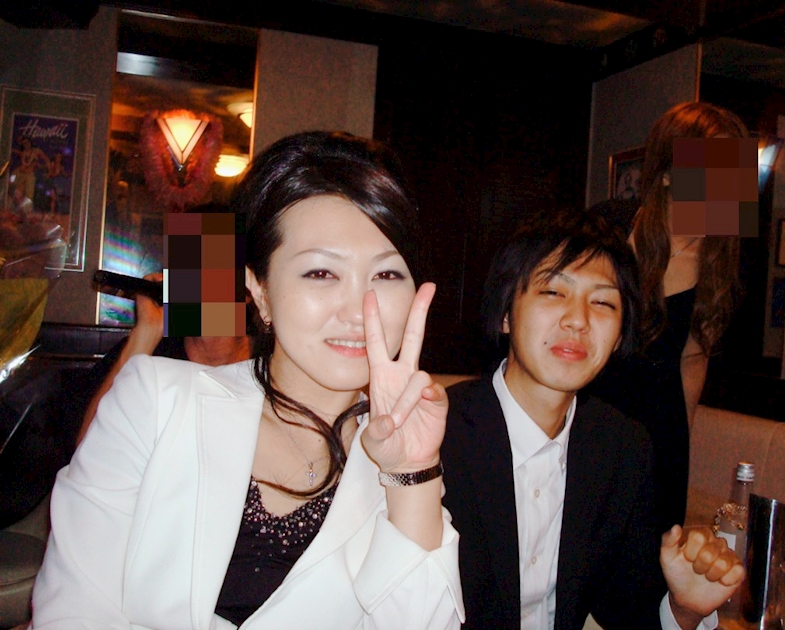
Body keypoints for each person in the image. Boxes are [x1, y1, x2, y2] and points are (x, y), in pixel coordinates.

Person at [32, 132, 464, 628]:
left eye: (386, 275)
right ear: (258, 289)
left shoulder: (409, 453)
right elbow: (74, 608)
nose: (356, 310)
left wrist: (412, 472)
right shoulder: (155, 400)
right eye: (321, 273)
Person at [441, 210, 744, 630]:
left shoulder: (621, 448)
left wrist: (685, 609)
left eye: (602, 302)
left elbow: (627, 613)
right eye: (553, 292)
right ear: (506, 313)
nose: (578, 320)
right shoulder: (435, 436)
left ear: (619, 336)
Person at [588, 102, 746, 534]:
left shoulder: (720, 255)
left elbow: (693, 361)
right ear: (668, 172)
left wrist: (679, 446)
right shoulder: (609, 226)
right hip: (590, 415)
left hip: (658, 433)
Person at [76, 202, 254, 445]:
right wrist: (144, 337)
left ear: (247, 291)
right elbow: (89, 451)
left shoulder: (271, 363)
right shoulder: (150, 353)